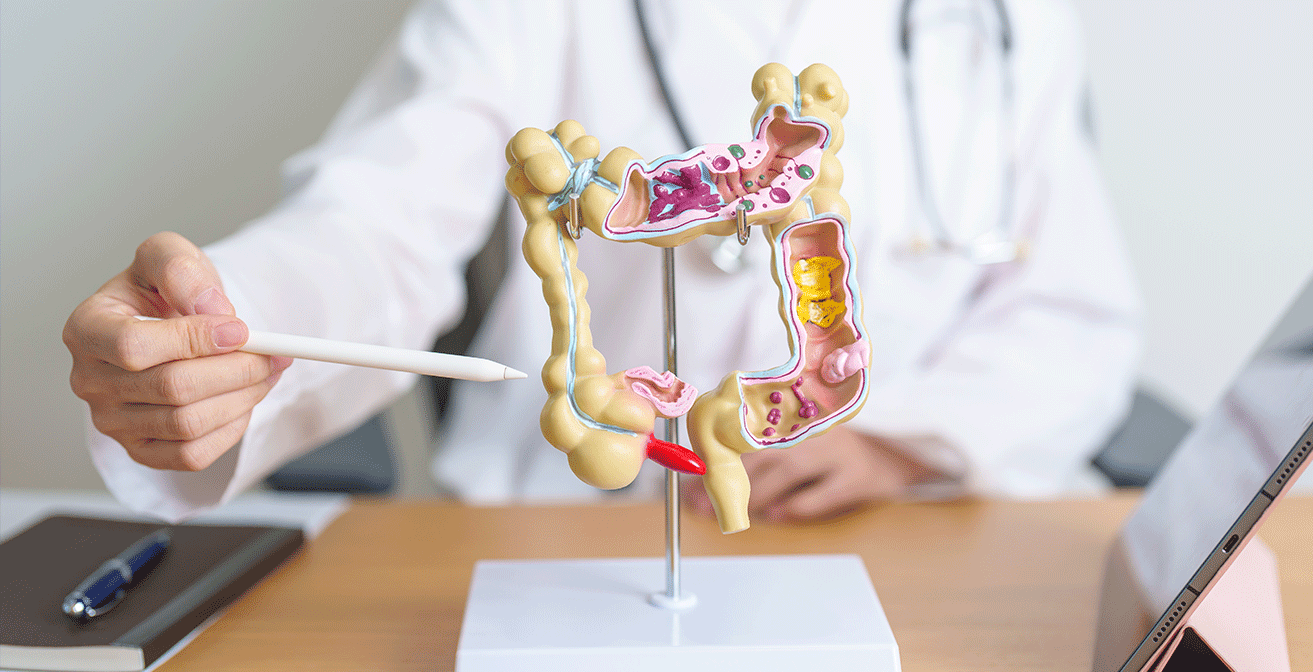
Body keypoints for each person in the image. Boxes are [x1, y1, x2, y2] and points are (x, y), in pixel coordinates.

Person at [63, 0, 1140, 524]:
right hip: (576, 527)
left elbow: (1066, 307)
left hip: (906, 532)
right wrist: (232, 321)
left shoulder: (1004, 19)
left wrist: (905, 446)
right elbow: (377, 224)